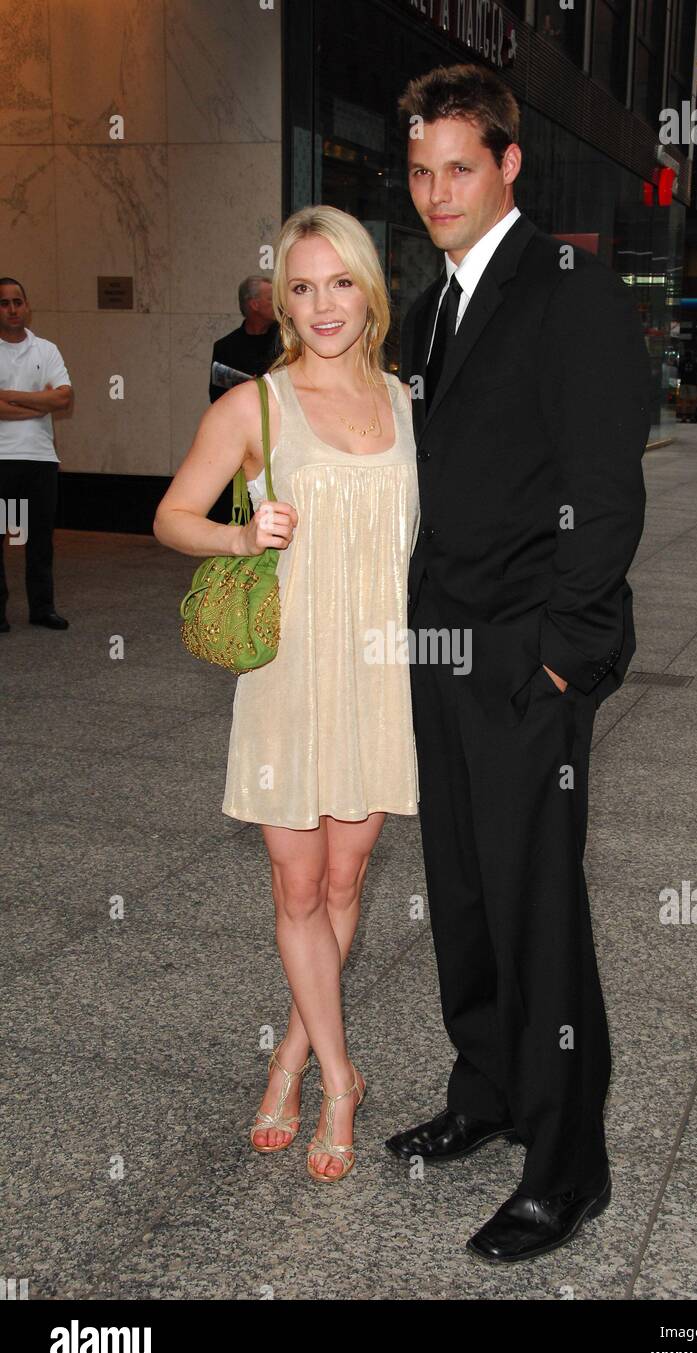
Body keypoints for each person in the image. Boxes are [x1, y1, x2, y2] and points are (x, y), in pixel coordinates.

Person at [387, 63, 650, 1263]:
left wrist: (560, 660)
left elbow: (603, 496)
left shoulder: (570, 291)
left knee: (536, 908)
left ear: (506, 165)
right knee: (465, 890)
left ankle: (565, 1167)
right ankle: (486, 1091)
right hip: (440, 646)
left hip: (524, 657)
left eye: (457, 166)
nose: (435, 189)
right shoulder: (432, 304)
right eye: (418, 168)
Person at [154, 207, 419, 1183]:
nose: (320, 305)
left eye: (337, 283)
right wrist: (238, 535)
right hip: (288, 682)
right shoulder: (253, 409)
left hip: (379, 679)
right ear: (281, 299)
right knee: (297, 886)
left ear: (366, 288)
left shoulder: (403, 401)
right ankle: (340, 1079)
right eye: (300, 288)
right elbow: (172, 515)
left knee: (346, 883)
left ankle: (290, 1054)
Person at [0, 277, 73, 634]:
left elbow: (62, 399)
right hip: (2, 459)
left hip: (40, 459)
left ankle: (42, 608)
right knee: (1, 532)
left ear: (27, 306)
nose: (12, 309)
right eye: (4, 303)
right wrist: (37, 403)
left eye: (18, 302)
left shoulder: (46, 350)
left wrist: (9, 397)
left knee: (40, 537)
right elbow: (48, 401)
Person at [209, 275, 280, 403]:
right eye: (271, 299)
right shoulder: (225, 348)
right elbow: (217, 398)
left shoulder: (288, 340)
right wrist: (247, 390)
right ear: (254, 305)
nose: (277, 304)